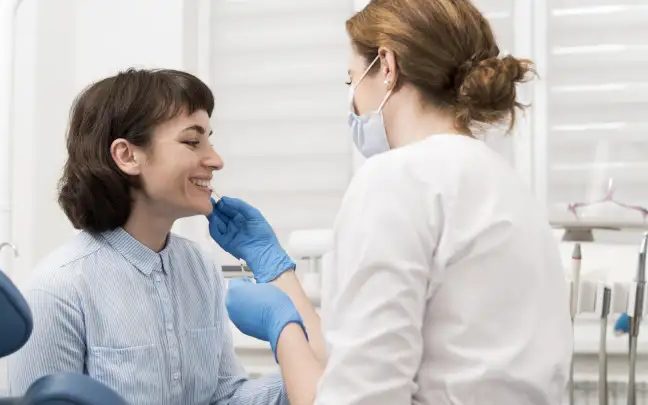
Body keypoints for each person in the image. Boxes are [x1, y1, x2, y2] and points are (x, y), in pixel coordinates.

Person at [207, 0, 574, 404]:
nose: (352, 100)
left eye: (351, 80)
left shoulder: (397, 179)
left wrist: (282, 329)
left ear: (386, 65)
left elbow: (361, 396)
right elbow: (362, 354)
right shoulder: (506, 185)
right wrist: (279, 274)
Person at [6, 68, 294, 405]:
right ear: (127, 156)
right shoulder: (57, 290)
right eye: (192, 141)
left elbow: (224, 397)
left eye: (210, 141)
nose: (216, 160)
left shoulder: (199, 267)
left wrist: (311, 367)